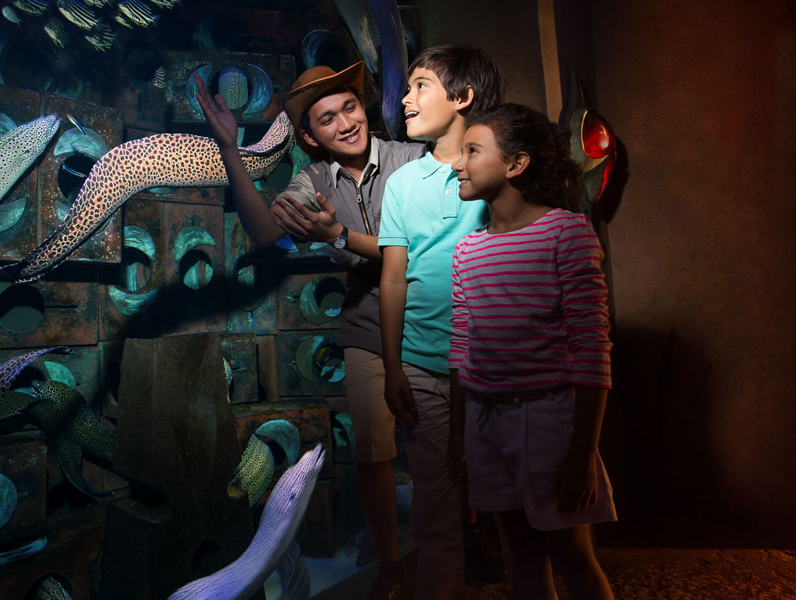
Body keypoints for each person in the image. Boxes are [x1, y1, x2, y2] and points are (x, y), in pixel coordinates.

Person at [194, 64, 425, 599]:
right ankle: (390, 564)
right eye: (327, 119)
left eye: (350, 107)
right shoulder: (314, 181)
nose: (345, 123)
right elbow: (264, 229)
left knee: (445, 444)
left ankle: (467, 535)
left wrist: (340, 234)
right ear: (309, 137)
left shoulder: (411, 160)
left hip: (434, 323)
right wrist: (232, 149)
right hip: (368, 324)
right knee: (371, 452)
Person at [448, 102, 617, 600]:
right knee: (518, 551)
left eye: (472, 151)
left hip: (548, 419)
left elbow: (591, 349)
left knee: (570, 554)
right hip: (484, 421)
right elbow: (462, 348)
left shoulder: (565, 233)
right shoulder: (468, 250)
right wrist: (461, 435)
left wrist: (583, 452)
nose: (458, 162)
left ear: (516, 164)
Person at [375, 44, 504, 600]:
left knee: (509, 501)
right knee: (434, 504)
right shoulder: (403, 184)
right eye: (406, 88)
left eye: (420, 85)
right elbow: (393, 278)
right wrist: (392, 365)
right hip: (423, 367)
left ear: (462, 97)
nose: (405, 98)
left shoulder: (498, 172)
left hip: (497, 369)